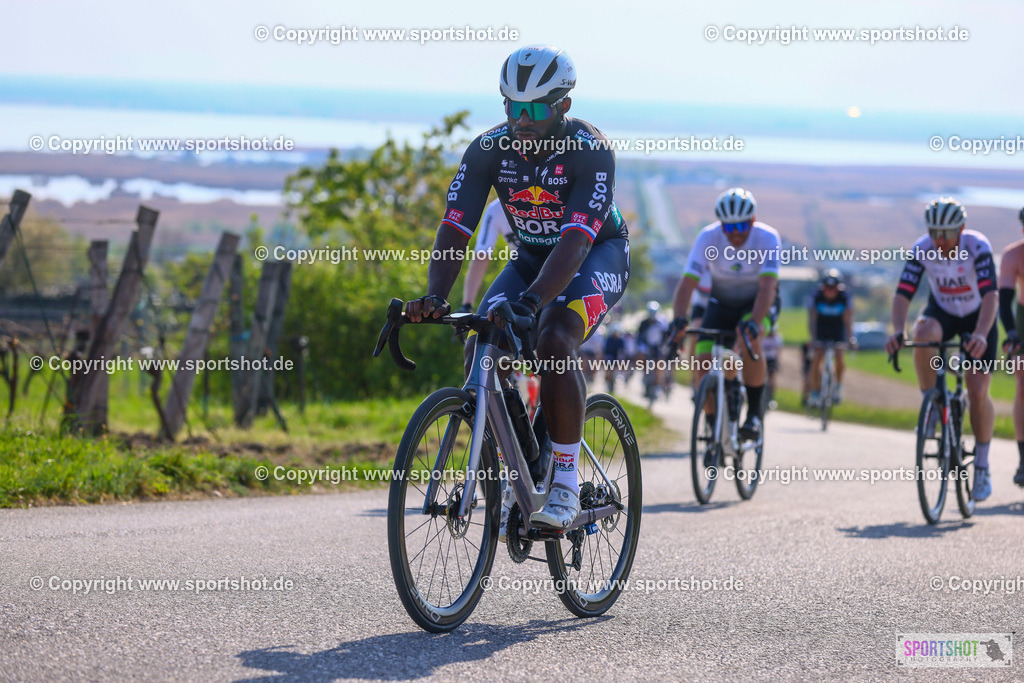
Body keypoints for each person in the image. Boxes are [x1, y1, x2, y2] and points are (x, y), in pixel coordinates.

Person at [405, 45, 630, 535]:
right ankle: (523, 466)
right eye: (513, 106)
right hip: (531, 257)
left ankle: (565, 484)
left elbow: (576, 241)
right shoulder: (488, 149)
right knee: (481, 348)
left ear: (563, 105)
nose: (522, 119)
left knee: (555, 338)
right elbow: (455, 226)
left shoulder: (590, 149)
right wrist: (436, 295)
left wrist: (532, 301)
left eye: (535, 109)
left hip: (595, 252)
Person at [884, 197, 998, 501]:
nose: (939, 240)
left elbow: (991, 296)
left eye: (945, 234)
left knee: (977, 389)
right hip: (943, 312)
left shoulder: (977, 246)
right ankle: (933, 403)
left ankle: (982, 466)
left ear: (961, 228)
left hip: (978, 315)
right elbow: (903, 294)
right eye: (933, 232)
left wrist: (981, 334)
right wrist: (898, 330)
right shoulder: (922, 248)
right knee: (923, 334)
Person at [669, 188, 780, 441]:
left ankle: (754, 414)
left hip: (758, 303)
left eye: (742, 226)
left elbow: (767, 287)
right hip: (721, 304)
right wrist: (679, 318)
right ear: (721, 224)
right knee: (702, 365)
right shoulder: (708, 237)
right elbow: (687, 283)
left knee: (750, 338)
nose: (736, 233)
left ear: (753, 221)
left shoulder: (767, 238)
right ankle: (713, 428)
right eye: (729, 227)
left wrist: (754, 322)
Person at [995, 205, 1024, 488]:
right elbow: (1004, 300)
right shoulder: (1013, 255)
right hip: (1023, 319)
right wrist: (1012, 333)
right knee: (1022, 383)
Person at [458, 198, 519, 313]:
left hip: (552, 267)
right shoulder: (495, 209)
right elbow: (482, 255)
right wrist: (467, 304)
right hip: (523, 267)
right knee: (488, 314)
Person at [807, 269, 855, 406]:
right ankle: (815, 392)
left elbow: (848, 319)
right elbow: (812, 319)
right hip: (821, 328)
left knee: (839, 355)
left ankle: (838, 386)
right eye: (827, 287)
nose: (830, 291)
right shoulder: (816, 296)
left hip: (837, 329)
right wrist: (813, 339)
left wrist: (851, 338)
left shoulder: (845, 297)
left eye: (833, 288)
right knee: (817, 358)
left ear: (838, 288)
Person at [637, 301, 669, 398]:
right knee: (641, 357)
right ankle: (644, 374)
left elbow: (666, 335)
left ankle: (657, 385)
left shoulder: (662, 322)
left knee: (660, 364)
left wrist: (665, 346)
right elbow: (639, 337)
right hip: (646, 345)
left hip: (658, 346)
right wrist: (641, 347)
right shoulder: (644, 323)